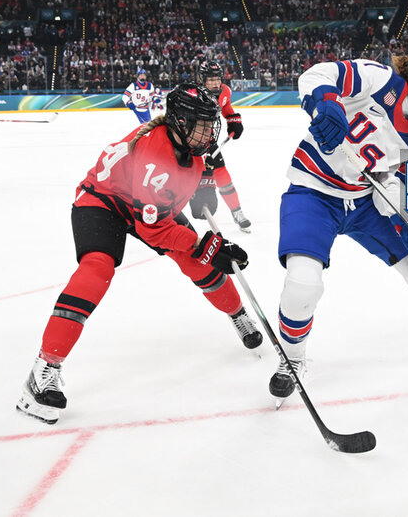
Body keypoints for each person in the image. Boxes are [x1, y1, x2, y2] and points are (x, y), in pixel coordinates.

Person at [16, 84, 260, 425]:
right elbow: (156, 228)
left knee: (195, 262)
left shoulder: (185, 141)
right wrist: (206, 245)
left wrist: (203, 188)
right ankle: (44, 369)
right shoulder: (155, 155)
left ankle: (238, 315)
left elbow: (193, 179)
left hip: (149, 203)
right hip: (104, 202)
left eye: (210, 124)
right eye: (202, 125)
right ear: (178, 122)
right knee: (96, 270)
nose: (209, 132)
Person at [269, 54, 408, 404]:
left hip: (367, 200)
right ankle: (292, 360)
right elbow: (317, 74)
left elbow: (407, 200)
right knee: (303, 283)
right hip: (313, 190)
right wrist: (326, 104)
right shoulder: (379, 79)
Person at [188, 61, 252, 232]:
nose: (215, 83)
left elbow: (227, 109)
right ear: (203, 80)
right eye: (210, 80)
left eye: (217, 79)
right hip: (188, 142)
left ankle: (237, 213)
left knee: (222, 174)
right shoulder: (192, 94)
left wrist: (234, 121)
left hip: (208, 140)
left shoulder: (224, 91)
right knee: (181, 179)